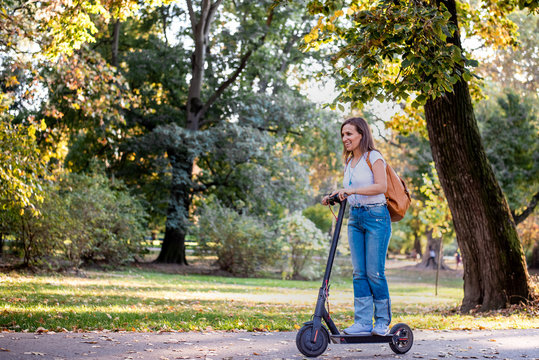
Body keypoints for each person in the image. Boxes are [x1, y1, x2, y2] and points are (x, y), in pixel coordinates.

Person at [322, 117, 392, 336]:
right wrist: (333, 195)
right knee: (359, 272)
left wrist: (352, 192)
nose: (345, 138)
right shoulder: (349, 163)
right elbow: (350, 189)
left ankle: (382, 321)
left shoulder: (374, 157)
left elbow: (381, 186)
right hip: (355, 219)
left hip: (376, 218)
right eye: (343, 134)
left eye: (349, 134)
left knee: (374, 272)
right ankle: (362, 322)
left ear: (362, 134)